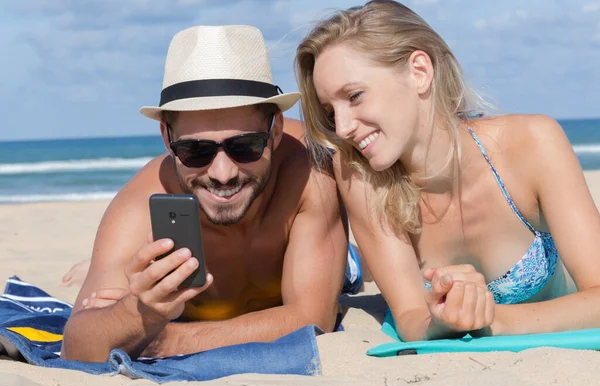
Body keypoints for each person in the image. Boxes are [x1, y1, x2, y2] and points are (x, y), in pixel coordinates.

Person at [295, 0, 600, 342]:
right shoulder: (359, 176)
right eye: (330, 112)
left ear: (419, 72)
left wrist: (491, 320)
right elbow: (412, 318)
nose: (343, 127)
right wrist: (443, 321)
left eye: (354, 96)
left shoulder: (531, 144)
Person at [61, 25, 356, 362]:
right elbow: (75, 347)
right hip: (299, 259)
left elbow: (313, 320)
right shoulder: (142, 201)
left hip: (323, 253)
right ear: (165, 137)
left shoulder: (307, 172)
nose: (222, 173)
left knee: (351, 269)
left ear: (274, 131)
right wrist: (137, 310)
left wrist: (161, 339)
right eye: (195, 150)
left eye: (245, 146)